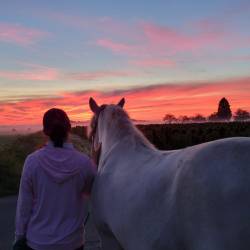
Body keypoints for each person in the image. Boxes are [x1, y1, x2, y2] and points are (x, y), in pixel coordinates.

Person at [13, 108, 96, 250]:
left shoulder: (32, 161)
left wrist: (19, 237)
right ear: (69, 129)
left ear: (45, 131)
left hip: (37, 242)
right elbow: (91, 194)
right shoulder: (85, 163)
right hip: (72, 243)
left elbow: (24, 206)